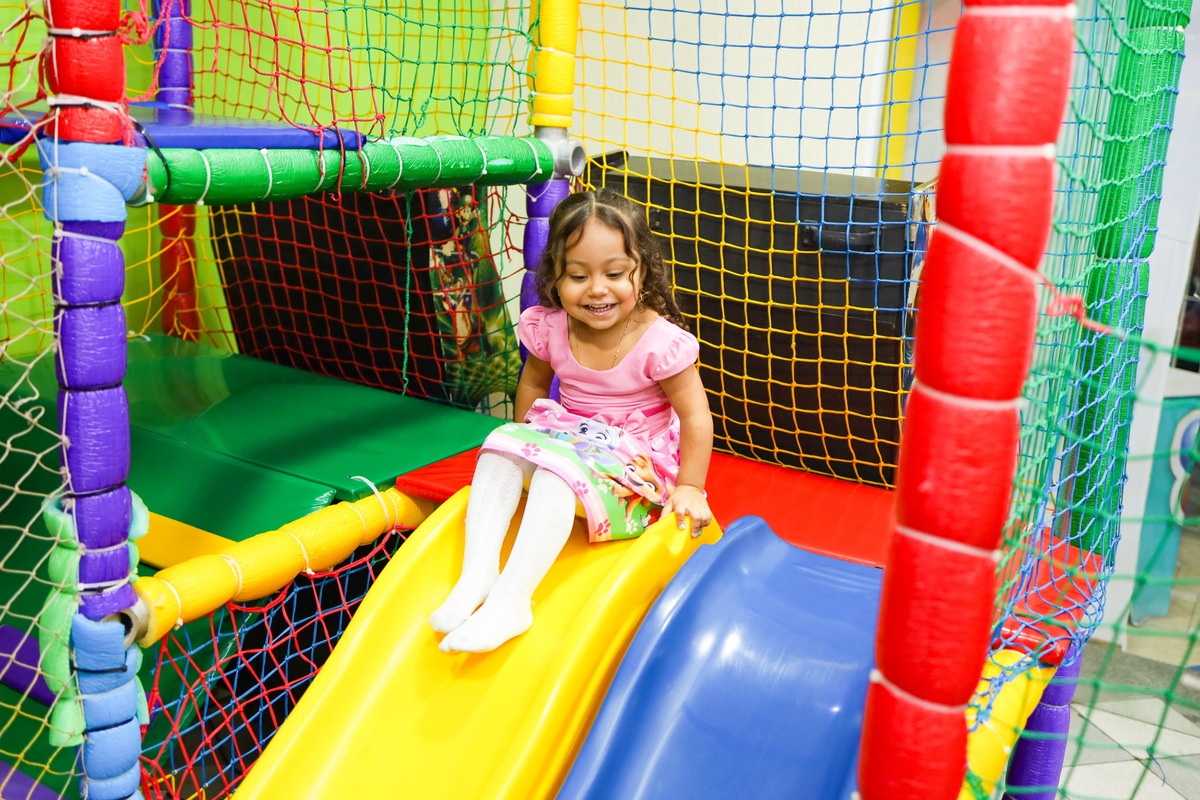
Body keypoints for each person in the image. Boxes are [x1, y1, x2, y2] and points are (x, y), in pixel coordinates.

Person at [429, 187, 714, 653]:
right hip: (572, 442)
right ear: (556, 276)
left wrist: (691, 487)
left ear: (642, 270)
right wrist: (527, 442)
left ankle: (512, 600)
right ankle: (477, 574)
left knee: (554, 478)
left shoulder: (660, 342)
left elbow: (695, 416)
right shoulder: (551, 325)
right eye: (577, 275)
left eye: (615, 273)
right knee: (499, 448)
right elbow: (534, 385)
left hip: (635, 469)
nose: (597, 289)